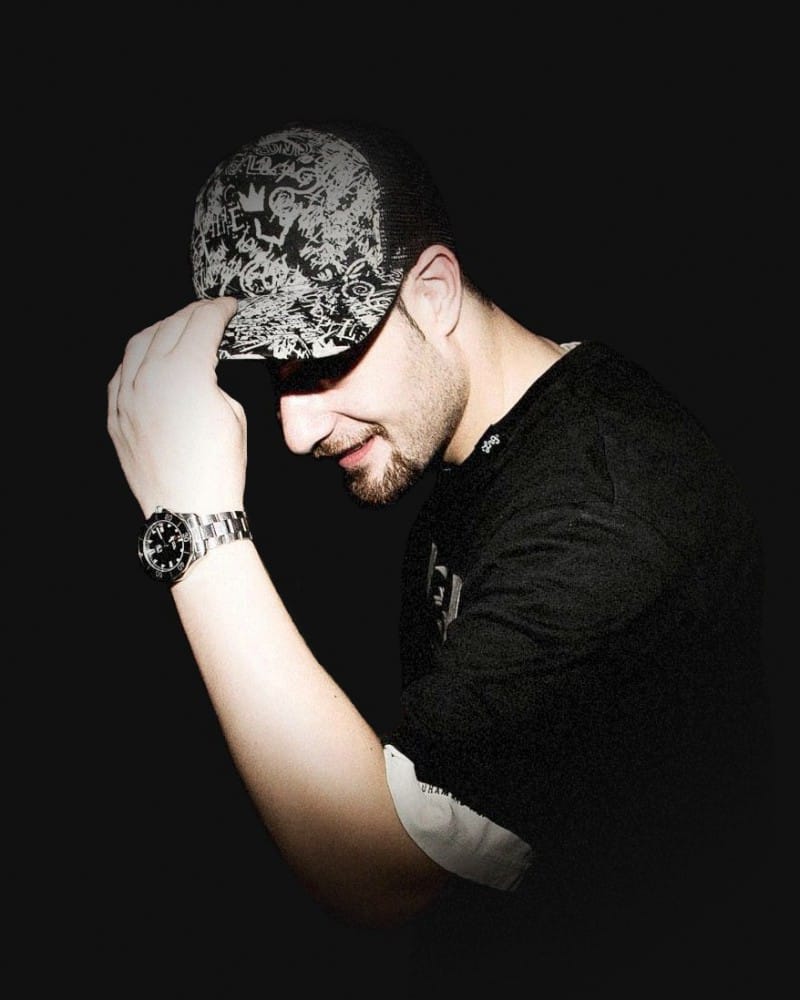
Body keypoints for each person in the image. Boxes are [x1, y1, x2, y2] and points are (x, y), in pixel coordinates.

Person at [107, 121, 774, 993]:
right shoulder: (483, 442)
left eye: (324, 358)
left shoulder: (610, 513)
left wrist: (197, 526)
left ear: (434, 293)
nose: (295, 430)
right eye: (277, 372)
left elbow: (379, 872)